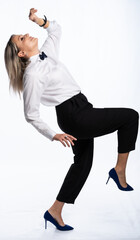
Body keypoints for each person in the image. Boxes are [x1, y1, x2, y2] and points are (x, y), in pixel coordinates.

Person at [4, 8, 139, 231]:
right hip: (74, 116)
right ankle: (119, 171)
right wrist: (53, 135)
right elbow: (30, 114)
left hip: (81, 108)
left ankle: (54, 211)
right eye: (21, 38)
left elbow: (56, 30)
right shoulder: (33, 75)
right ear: (21, 53)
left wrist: (38, 20)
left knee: (82, 164)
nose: (26, 35)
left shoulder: (46, 54)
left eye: (24, 33)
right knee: (130, 117)